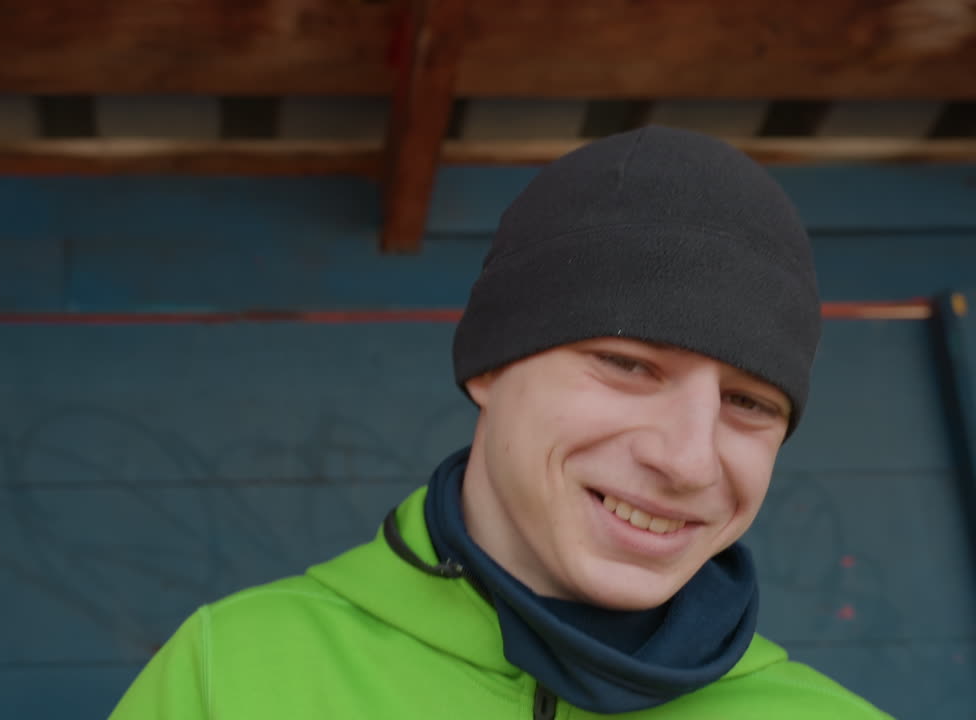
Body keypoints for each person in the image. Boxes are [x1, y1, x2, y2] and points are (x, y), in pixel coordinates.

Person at [108, 126, 891, 718]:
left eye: (749, 403)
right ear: (490, 363)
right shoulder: (233, 674)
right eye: (627, 364)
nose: (687, 461)